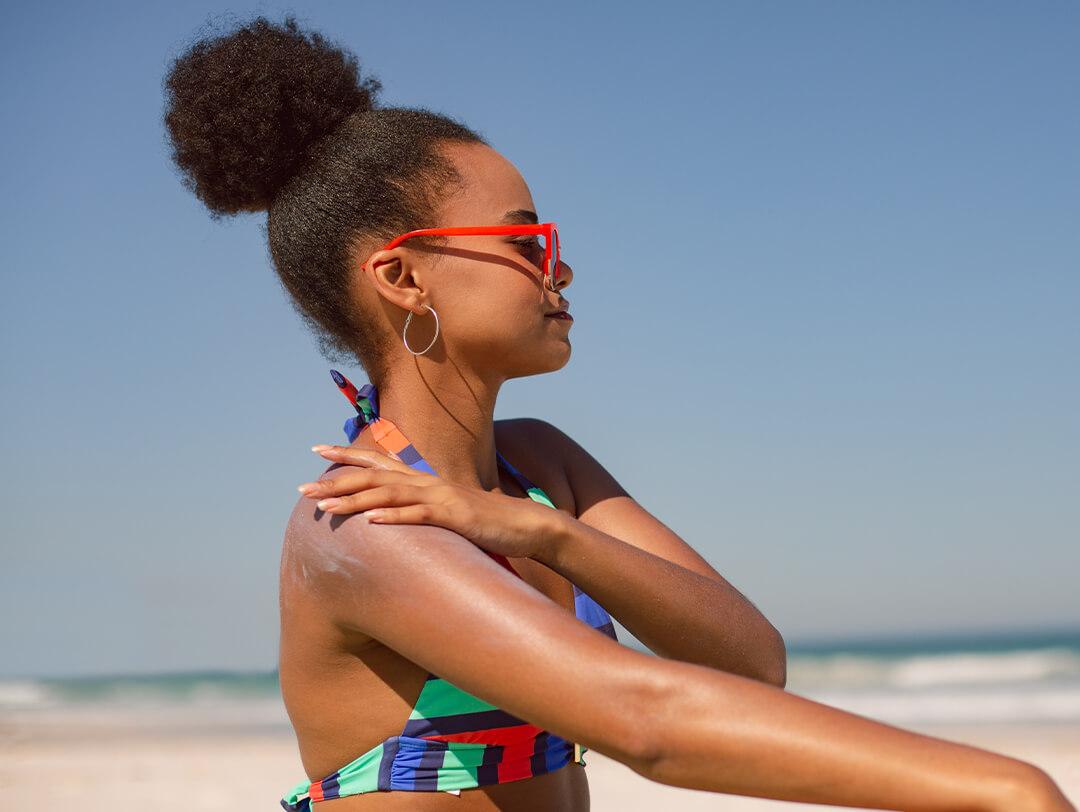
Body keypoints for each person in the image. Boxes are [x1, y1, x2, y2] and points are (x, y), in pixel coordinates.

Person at [162, 14, 1074, 812]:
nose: (558, 269)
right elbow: (650, 724)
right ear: (403, 277)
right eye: (524, 240)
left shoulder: (541, 468)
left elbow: (750, 662)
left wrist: (548, 535)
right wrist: (1006, 786)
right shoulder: (362, 519)